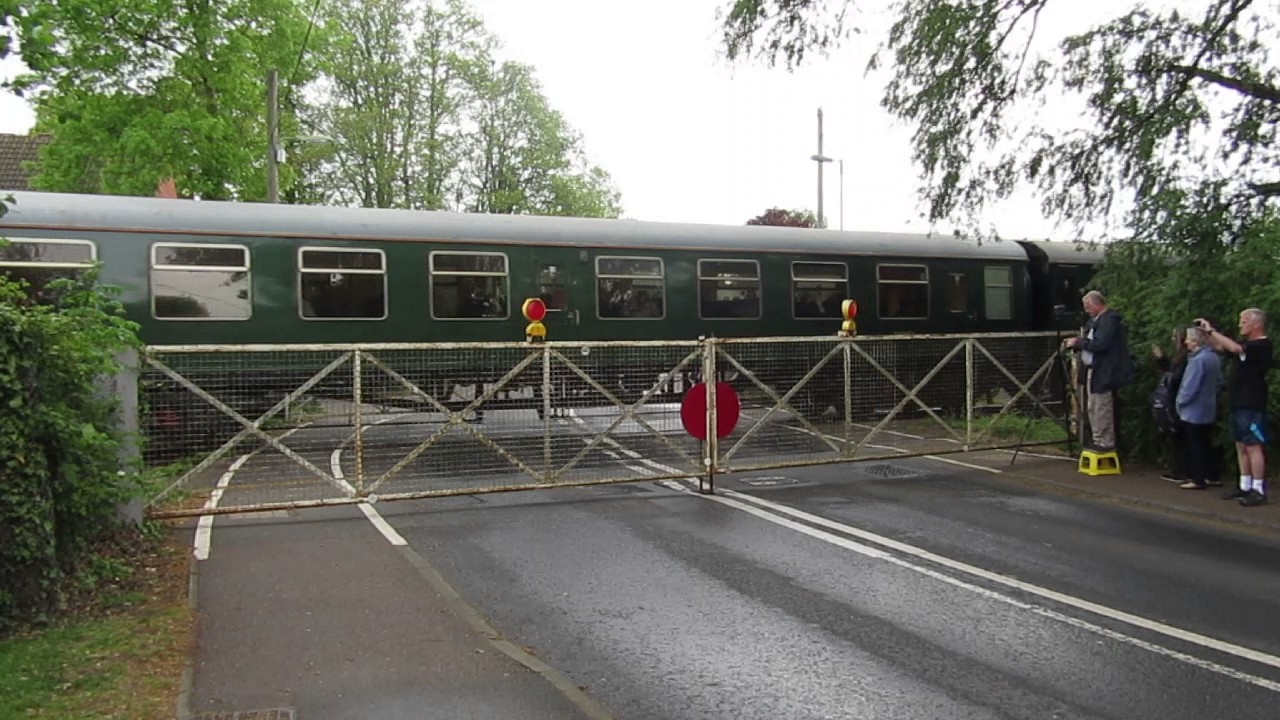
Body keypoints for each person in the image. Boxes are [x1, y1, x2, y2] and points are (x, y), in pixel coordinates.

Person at [1196, 309, 1272, 507]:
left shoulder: (1262, 345)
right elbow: (1223, 347)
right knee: (1240, 444)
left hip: (1252, 403)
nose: (1240, 325)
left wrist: (1212, 331)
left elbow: (1236, 348)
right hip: (1237, 401)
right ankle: (1244, 484)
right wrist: (1206, 334)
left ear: (1256, 324)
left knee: (1253, 445)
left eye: (1244, 321)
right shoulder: (1245, 345)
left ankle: (1258, 489)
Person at [1064, 291, 1134, 451]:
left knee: (1102, 406)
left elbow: (1100, 344)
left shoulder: (1108, 321)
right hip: (1093, 370)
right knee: (1092, 406)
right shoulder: (1096, 321)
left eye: (1088, 306)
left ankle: (1105, 441)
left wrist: (1079, 342)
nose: (1086, 310)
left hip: (1105, 370)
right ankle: (1097, 438)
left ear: (1097, 304)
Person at [1174, 327, 1221, 489]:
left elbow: (1190, 386)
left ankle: (1197, 478)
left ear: (1196, 341)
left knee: (1194, 444)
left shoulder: (1197, 360)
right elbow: (1219, 383)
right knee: (1206, 442)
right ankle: (1212, 475)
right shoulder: (1214, 358)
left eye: (1188, 339)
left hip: (1193, 409)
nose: (1186, 342)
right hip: (1209, 406)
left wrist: (1180, 402)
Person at [1151, 327, 1190, 482]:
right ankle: (1178, 467)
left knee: (1180, 435)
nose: (1173, 339)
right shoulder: (1179, 356)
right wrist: (1161, 359)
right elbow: (1170, 370)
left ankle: (1183, 469)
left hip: (1177, 397)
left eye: (1175, 337)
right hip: (1173, 397)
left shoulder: (1186, 357)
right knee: (1174, 435)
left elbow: (1175, 376)